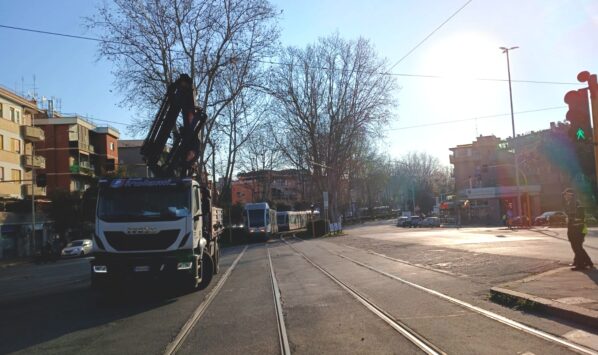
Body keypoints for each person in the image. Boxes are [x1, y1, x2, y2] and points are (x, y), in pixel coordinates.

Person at [563, 188, 594, 270]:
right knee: (578, 247)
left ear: (570, 195)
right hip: (579, 228)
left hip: (576, 229)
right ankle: (587, 262)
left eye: (566, 194)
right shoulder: (574, 203)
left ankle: (581, 265)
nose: (564, 196)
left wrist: (568, 219)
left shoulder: (573, 204)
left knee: (576, 247)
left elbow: (576, 217)